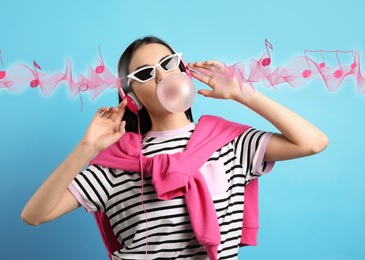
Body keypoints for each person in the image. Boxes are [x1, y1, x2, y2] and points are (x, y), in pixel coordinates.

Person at [21, 36, 329, 259]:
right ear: (132, 96)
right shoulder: (116, 163)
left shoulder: (229, 142)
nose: (162, 76)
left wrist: (242, 94)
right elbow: (35, 215)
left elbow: (313, 142)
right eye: (145, 74)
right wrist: (87, 148)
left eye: (168, 63)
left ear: (183, 70)